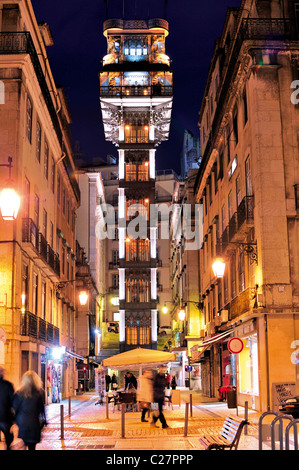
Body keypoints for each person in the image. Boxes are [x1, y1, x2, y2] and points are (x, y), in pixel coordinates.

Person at [12, 371, 47, 451]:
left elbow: (15, 407)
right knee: (32, 446)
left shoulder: (19, 393)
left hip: (23, 422)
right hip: (34, 422)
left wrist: (15, 420)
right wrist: (44, 420)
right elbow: (41, 409)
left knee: (25, 442)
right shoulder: (39, 393)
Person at [0, 367, 14, 450]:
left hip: (5, 416)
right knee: (8, 438)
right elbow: (13, 400)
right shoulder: (8, 385)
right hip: (5, 416)